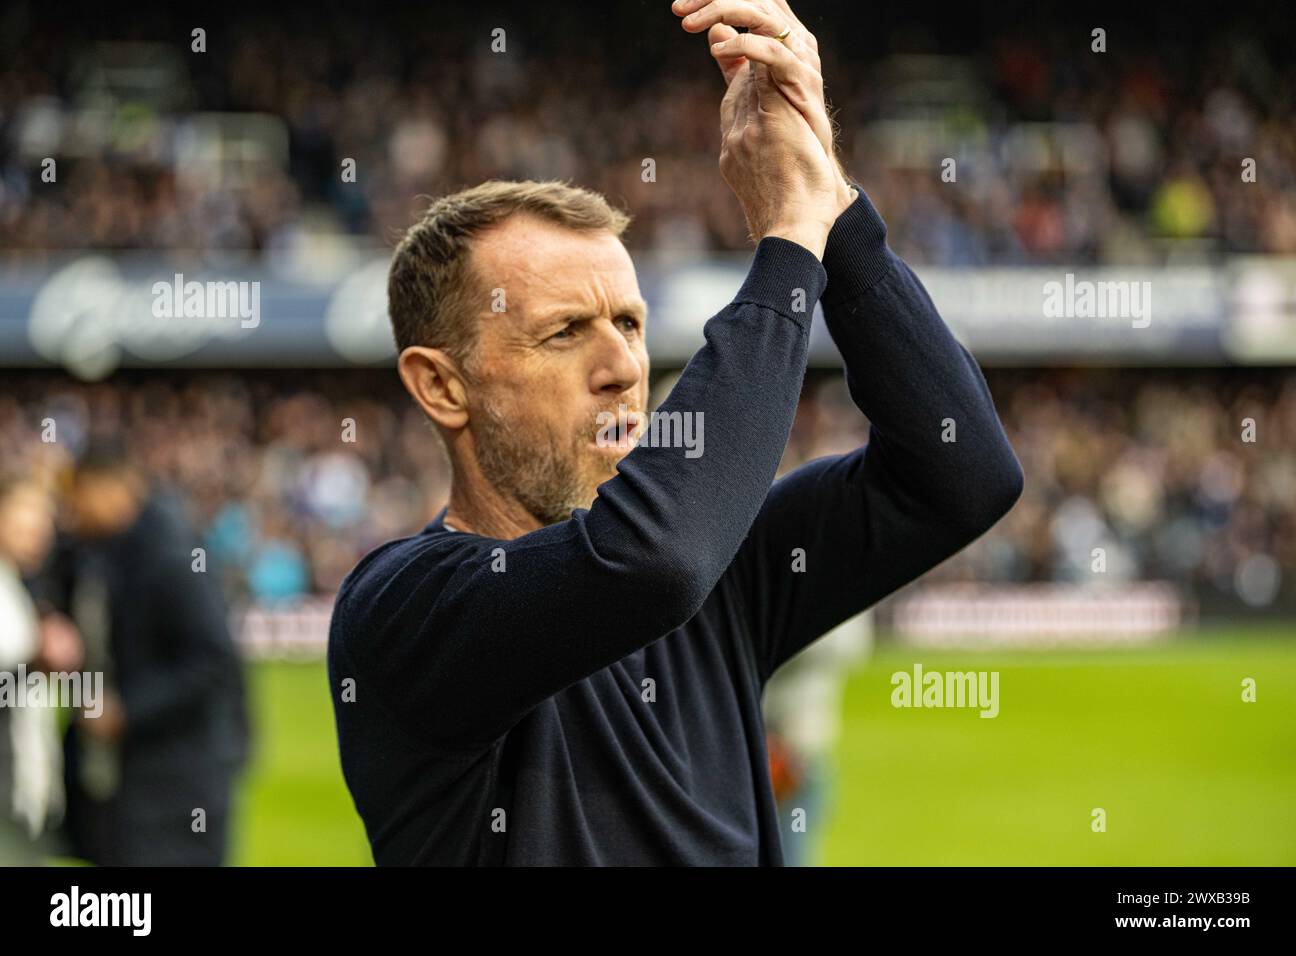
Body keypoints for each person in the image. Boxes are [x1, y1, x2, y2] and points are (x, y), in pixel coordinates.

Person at [329, 0, 1023, 865]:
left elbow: (964, 473)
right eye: (563, 332)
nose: (622, 367)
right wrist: (787, 245)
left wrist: (833, 206)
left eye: (628, 324)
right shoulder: (406, 608)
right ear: (441, 386)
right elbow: (652, 561)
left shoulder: (725, 583)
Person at [59, 445, 250, 865]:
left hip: (178, 778)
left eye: (79, 494)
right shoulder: (115, 547)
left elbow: (212, 660)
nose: (73, 508)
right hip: (144, 773)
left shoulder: (170, 555)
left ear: (109, 488)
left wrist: (128, 710)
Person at [0, 477, 76, 864]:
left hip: (23, 788)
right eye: (24, 519)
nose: (37, 532)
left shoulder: (23, 588)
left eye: (44, 521)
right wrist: (33, 666)